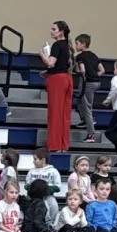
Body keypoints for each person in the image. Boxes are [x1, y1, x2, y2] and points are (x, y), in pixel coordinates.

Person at [40, 20, 73, 151]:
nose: (51, 31)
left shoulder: (57, 45)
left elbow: (51, 63)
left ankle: (54, 145)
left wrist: (42, 54)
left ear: (61, 32)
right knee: (64, 113)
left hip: (57, 81)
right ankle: (63, 145)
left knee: (55, 113)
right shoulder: (68, 46)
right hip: (66, 78)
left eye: (54, 29)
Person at [71, 33, 102, 144]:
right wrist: (94, 75)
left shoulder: (80, 57)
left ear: (83, 44)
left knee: (87, 108)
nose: (75, 45)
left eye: (77, 43)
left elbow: (82, 70)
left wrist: (79, 72)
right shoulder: (94, 55)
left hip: (87, 83)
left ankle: (91, 134)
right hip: (96, 82)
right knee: (79, 100)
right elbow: (101, 70)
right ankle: (84, 120)